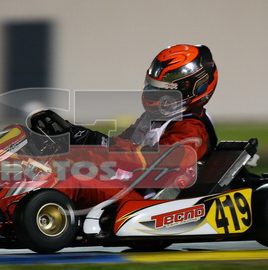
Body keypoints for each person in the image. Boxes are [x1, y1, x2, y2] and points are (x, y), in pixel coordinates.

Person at [37, 43, 219, 209]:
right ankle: (26, 203)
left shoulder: (192, 128)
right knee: (64, 165)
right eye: (153, 88)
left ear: (197, 88)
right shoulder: (152, 119)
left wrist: (97, 142)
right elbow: (116, 148)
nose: (154, 95)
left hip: (151, 204)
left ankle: (35, 211)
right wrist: (75, 143)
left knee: (78, 181)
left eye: (163, 90)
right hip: (129, 187)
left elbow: (160, 160)